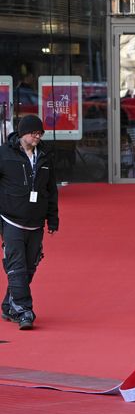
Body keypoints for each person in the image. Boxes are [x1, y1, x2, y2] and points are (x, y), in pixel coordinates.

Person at [0, 114, 59, 329]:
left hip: (36, 221)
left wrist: (53, 219)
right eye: (34, 133)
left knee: (30, 267)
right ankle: (24, 310)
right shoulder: (4, 154)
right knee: (16, 266)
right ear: (23, 132)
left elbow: (51, 190)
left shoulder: (44, 156)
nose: (37, 137)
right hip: (10, 219)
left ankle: (9, 304)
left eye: (40, 134)